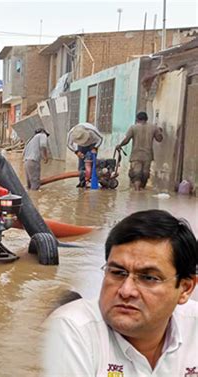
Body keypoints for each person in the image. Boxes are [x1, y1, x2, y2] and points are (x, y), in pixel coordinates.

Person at [41, 209, 197, 376]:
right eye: (117, 273)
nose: (126, 291)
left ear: (185, 288)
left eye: (149, 278)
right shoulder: (72, 330)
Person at [116, 111, 163, 191]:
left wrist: (119, 145)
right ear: (146, 119)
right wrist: (160, 132)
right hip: (148, 155)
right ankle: (141, 192)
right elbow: (159, 139)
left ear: (137, 119)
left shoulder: (133, 128)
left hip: (136, 155)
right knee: (145, 174)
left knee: (136, 174)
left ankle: (137, 192)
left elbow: (126, 140)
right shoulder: (153, 127)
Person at [67, 122, 103, 187]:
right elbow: (69, 144)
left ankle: (91, 181)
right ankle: (82, 182)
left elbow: (100, 139)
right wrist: (76, 152)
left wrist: (95, 148)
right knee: (81, 165)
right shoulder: (72, 133)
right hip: (81, 147)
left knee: (92, 163)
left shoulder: (92, 130)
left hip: (92, 144)